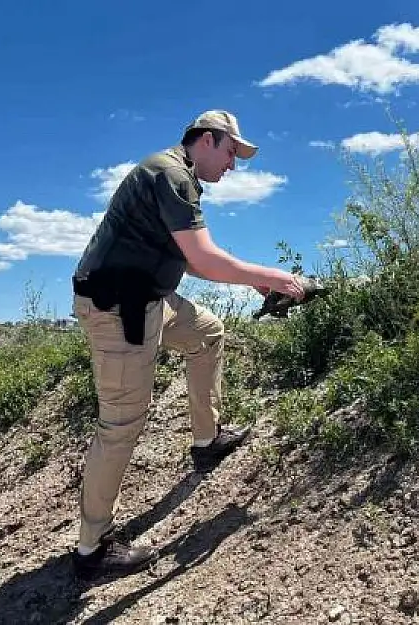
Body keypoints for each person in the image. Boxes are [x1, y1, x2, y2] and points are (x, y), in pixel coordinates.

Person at [68, 110, 307, 582]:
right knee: (122, 422)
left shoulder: (179, 176)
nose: (234, 165)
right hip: (119, 309)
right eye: (232, 152)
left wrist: (254, 284)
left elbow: (190, 261)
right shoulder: (170, 174)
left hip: (150, 300)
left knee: (208, 332)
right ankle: (91, 548)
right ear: (208, 140)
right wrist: (273, 277)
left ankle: (206, 440)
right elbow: (203, 256)